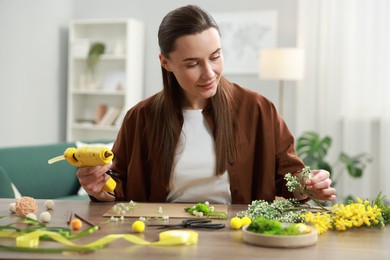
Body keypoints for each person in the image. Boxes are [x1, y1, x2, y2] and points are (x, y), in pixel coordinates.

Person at [76, 5, 336, 204]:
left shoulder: (257, 109)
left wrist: (309, 186)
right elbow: (119, 187)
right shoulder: (140, 117)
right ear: (165, 62)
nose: (209, 72)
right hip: (161, 238)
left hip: (238, 237)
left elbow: (289, 178)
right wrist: (99, 188)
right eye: (192, 63)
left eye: (215, 56)